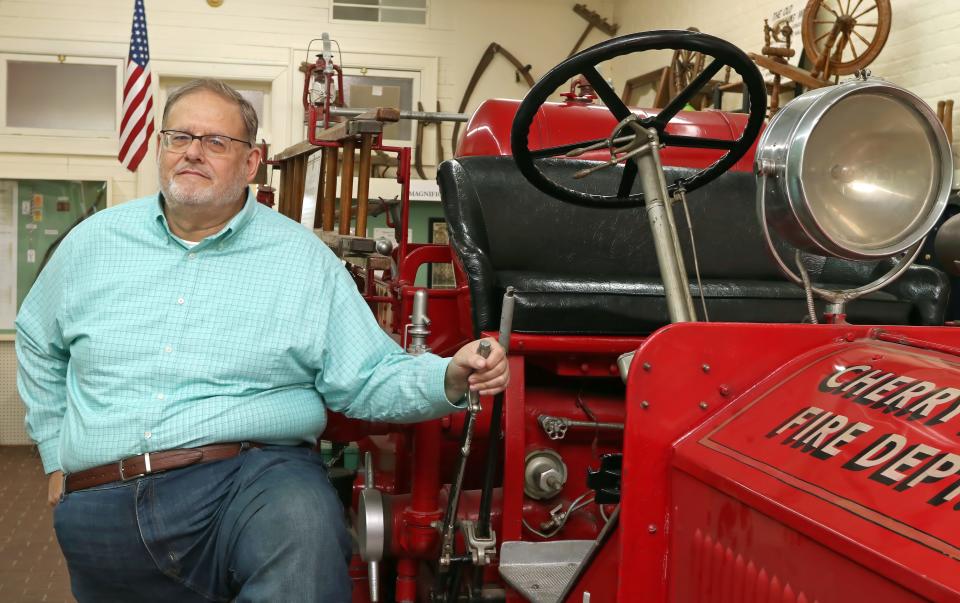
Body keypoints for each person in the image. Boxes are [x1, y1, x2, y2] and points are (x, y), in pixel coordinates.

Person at [15, 78, 508, 603]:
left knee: (300, 533)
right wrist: (53, 450)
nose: (193, 153)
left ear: (251, 163)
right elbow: (37, 340)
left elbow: (365, 375)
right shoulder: (93, 243)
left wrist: (447, 375)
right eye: (179, 137)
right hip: (103, 498)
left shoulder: (301, 260)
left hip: (246, 481)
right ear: (160, 148)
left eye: (215, 142)